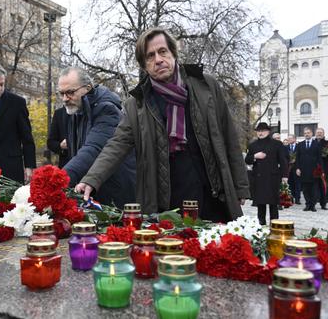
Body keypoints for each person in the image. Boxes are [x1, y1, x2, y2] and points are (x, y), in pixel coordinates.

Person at [75, 28, 250, 222]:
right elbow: (116, 145)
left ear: (173, 53)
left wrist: (240, 186)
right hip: (168, 200)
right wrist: (92, 179)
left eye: (163, 51)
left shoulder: (206, 86)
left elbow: (228, 137)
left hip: (212, 193)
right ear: (144, 65)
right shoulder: (137, 105)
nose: (158, 59)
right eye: (150, 56)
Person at [58, 67, 136, 208]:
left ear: (87, 88)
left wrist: (58, 180)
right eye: (61, 93)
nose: (65, 99)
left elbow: (92, 149)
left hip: (114, 193)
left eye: (70, 92)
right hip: (92, 189)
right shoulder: (76, 110)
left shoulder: (107, 110)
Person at [245, 123, 288, 225]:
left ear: (268, 132)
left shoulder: (277, 144)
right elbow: (247, 160)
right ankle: (261, 224)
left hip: (272, 177)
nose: (260, 133)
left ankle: (274, 225)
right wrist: (255, 156)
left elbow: (283, 161)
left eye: (263, 131)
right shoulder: (253, 145)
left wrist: (285, 176)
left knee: (273, 204)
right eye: (259, 131)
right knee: (260, 204)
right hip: (259, 178)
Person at [296, 127, 322, 212]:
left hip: (314, 171)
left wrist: (321, 170)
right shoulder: (300, 144)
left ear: (312, 133)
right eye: (305, 133)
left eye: (308, 132)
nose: (306, 134)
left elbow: (319, 158)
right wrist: (298, 168)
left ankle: (312, 205)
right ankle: (307, 204)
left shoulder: (317, 144)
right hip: (303, 170)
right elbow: (297, 158)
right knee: (305, 189)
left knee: (314, 189)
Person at [315, 128, 328, 209]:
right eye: (318, 132)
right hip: (314, 167)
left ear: (323, 134)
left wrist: (325, 155)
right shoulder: (312, 142)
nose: (319, 134)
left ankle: (324, 201)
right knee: (315, 184)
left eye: (320, 133)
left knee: (325, 185)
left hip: (325, 167)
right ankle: (316, 199)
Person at [287, 134, 301, 204]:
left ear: (294, 139)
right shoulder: (286, 147)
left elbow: (301, 158)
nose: (289, 140)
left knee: (297, 184)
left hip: (296, 168)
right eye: (288, 139)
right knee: (290, 184)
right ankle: (291, 198)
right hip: (289, 169)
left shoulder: (299, 147)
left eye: (290, 138)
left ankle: (297, 199)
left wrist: (299, 168)